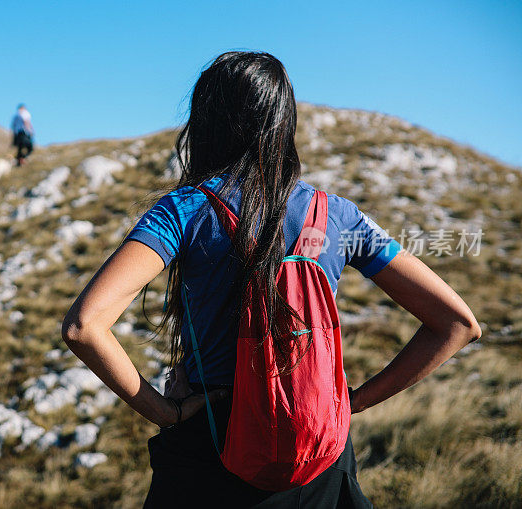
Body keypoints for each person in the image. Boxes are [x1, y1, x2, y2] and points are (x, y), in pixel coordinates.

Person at [61, 51, 482, 507]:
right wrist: (351, 402)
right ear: (284, 122)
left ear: (207, 121)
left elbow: (85, 325)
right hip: (320, 452)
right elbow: (458, 323)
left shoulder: (185, 209)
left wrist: (166, 411)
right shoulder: (336, 215)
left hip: (212, 445)